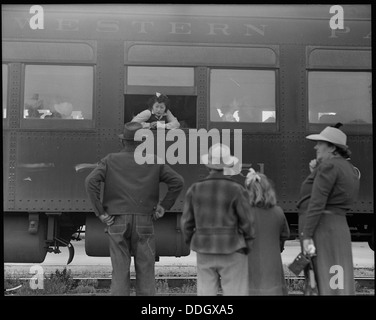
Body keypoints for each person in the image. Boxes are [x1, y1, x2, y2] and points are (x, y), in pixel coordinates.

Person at [85, 121, 184, 296]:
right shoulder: (154, 161)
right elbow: (177, 182)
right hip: (145, 220)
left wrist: (100, 212)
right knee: (146, 271)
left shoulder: (110, 160)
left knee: (120, 271)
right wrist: (164, 206)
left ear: (123, 142)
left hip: (116, 220)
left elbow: (90, 182)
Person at [180, 143, 255, 296]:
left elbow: (186, 222)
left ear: (209, 165)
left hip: (204, 249)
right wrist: (247, 244)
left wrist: (193, 242)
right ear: (228, 165)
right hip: (233, 248)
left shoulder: (195, 189)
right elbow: (247, 222)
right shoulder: (237, 189)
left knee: (206, 293)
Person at [297, 123, 360, 295]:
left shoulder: (329, 167)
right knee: (337, 275)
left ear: (332, 147)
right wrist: (316, 171)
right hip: (337, 227)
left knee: (322, 276)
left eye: (320, 143)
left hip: (322, 229)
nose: (316, 146)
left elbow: (317, 202)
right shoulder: (347, 168)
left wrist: (307, 235)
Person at [244, 169, 290, 295]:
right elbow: (284, 235)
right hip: (273, 272)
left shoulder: (244, 213)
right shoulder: (278, 212)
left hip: (249, 270)